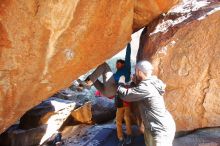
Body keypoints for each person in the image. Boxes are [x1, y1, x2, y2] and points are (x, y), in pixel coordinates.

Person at [117, 60, 176, 146]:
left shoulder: (147, 87)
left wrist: (120, 84)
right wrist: (133, 82)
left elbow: (126, 95)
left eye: (136, 71)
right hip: (155, 126)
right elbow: (141, 90)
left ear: (139, 72)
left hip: (160, 130)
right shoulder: (153, 82)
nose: (135, 74)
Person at [84, 43, 132, 146]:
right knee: (118, 120)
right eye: (116, 64)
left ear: (124, 65)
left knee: (104, 65)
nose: (116, 65)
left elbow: (128, 55)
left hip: (117, 94)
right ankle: (120, 139)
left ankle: (129, 136)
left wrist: (128, 43)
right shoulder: (115, 74)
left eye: (118, 64)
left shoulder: (126, 70)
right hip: (109, 93)